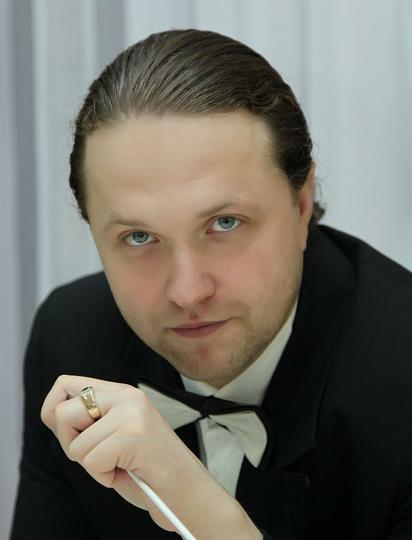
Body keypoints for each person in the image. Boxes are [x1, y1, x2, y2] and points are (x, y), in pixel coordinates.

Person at [10, 29, 412, 540]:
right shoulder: (71, 338)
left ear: (301, 204)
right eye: (139, 237)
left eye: (225, 223)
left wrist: (195, 501)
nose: (188, 291)